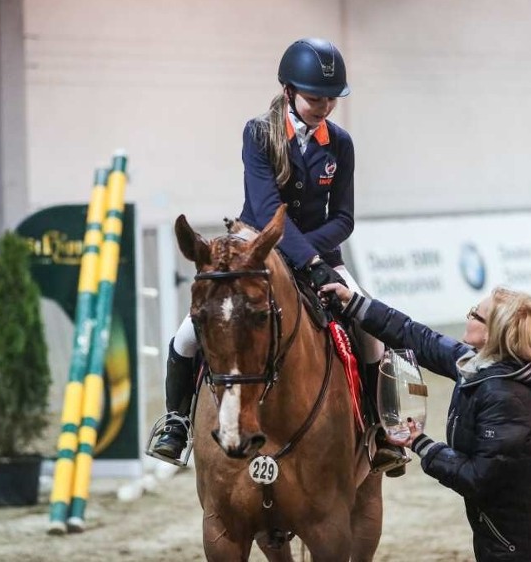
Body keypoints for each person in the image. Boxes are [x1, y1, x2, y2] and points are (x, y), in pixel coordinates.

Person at [152, 38, 406, 476]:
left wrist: (316, 257)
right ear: (289, 91)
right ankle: (175, 422)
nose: (323, 105)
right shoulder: (258, 134)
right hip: (257, 252)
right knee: (186, 337)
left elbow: (343, 217)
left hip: (323, 254)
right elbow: (270, 211)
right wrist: (309, 262)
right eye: (314, 97)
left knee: (371, 334)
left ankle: (383, 429)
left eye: (330, 98)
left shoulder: (340, 143)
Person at [320, 283, 531, 561]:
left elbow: (475, 477)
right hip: (503, 529)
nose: (468, 316)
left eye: (476, 314)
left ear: (491, 333)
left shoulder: (505, 397)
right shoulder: (480, 364)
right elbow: (418, 337)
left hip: (521, 542)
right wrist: (354, 303)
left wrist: (420, 443)